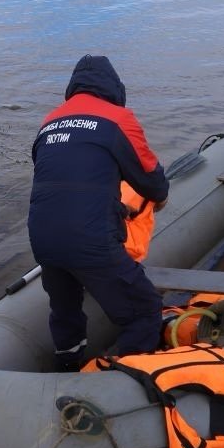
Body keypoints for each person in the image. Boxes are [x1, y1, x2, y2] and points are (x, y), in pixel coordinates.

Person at [27, 55, 170, 371]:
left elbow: (56, 175)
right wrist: (158, 198)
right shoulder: (119, 119)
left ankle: (67, 366)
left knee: (65, 310)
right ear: (115, 88)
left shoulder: (49, 122)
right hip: (90, 239)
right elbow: (152, 181)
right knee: (145, 310)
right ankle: (126, 380)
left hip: (42, 238)